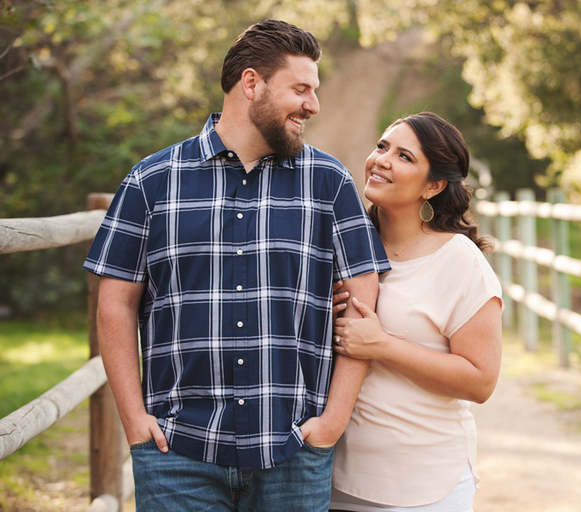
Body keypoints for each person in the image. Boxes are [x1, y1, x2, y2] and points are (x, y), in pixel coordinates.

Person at [83, 19, 390, 512]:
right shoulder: (152, 181)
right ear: (252, 84)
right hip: (175, 451)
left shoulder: (329, 183)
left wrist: (331, 422)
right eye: (301, 88)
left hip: (292, 452)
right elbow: (115, 302)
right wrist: (135, 419)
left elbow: (364, 304)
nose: (313, 104)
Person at [328, 112, 503, 512]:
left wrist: (382, 346)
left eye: (405, 156)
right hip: (334, 474)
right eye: (382, 146)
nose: (383, 160)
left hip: (421, 483)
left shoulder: (457, 259)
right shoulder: (345, 242)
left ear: (434, 185)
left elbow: (480, 381)